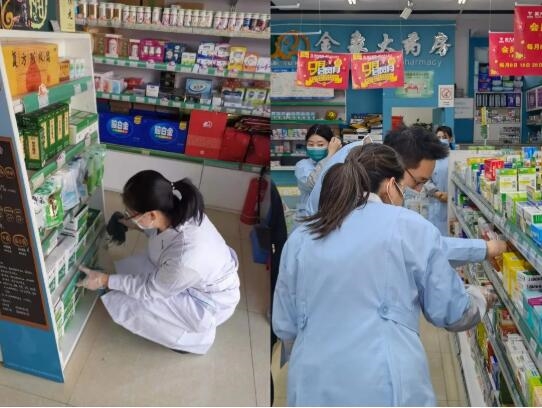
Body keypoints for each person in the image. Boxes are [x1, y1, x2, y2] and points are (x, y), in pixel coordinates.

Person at [273, 144, 497, 406]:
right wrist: (479, 298)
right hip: (384, 382)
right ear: (391, 185)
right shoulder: (409, 226)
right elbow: (450, 311)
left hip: (312, 379)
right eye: (405, 186)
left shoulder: (303, 235)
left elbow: (285, 324)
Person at [77, 170, 240, 355]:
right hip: (194, 276)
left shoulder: (186, 257)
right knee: (136, 272)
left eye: (131, 214)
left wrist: (104, 280)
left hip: (206, 301)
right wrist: (129, 223)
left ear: (152, 214)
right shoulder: (178, 210)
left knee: (137, 302)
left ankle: (192, 339)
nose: (129, 216)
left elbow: (149, 290)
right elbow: (162, 231)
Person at [305, 125, 507, 266]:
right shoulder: (356, 175)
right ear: (397, 164)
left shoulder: (366, 160)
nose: (418, 190)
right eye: (418, 181)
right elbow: (419, 246)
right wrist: (484, 249)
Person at [294, 124, 342, 221]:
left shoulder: (337, 163)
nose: (315, 148)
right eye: (311, 144)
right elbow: (313, 184)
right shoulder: (302, 165)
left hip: (331, 216)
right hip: (308, 215)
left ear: (330, 145)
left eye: (320, 145)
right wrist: (330, 155)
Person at [424, 125, 454, 235]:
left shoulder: (455, 157)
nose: (441, 140)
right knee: (434, 234)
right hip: (435, 202)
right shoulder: (431, 158)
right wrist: (437, 193)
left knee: (451, 233)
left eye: (444, 137)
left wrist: (450, 196)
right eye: (438, 137)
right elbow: (425, 179)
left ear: (451, 139)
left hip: (452, 203)